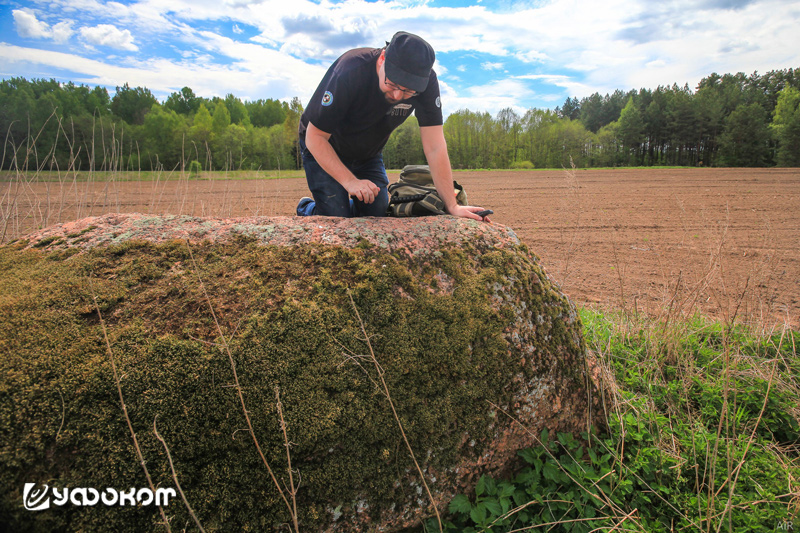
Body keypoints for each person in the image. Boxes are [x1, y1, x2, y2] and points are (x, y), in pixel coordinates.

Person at [295, 31, 490, 221]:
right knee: (337, 217)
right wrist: (350, 182)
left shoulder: (427, 83)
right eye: (392, 84)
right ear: (382, 59)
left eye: (408, 91)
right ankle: (308, 208)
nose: (397, 96)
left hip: (367, 153)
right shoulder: (350, 70)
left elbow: (435, 146)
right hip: (324, 145)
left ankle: (345, 208)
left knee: (378, 214)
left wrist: (452, 205)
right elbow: (315, 137)